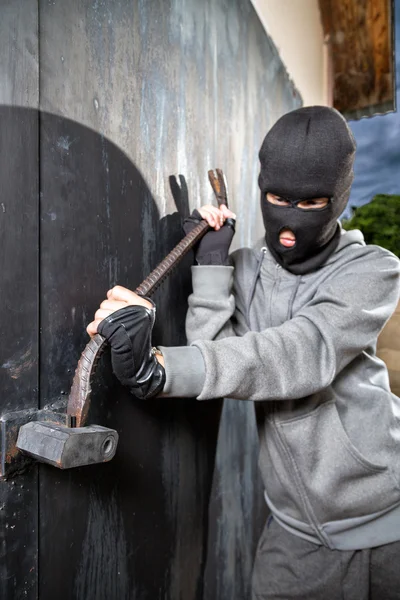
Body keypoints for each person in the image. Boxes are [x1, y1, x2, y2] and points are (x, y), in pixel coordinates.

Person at [87, 106, 400, 599]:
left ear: (338, 199)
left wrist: (162, 369)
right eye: (278, 198)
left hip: (387, 516)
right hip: (295, 529)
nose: (290, 221)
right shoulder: (247, 271)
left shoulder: (373, 271)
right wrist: (213, 267)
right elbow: (216, 360)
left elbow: (301, 353)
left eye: (312, 202)